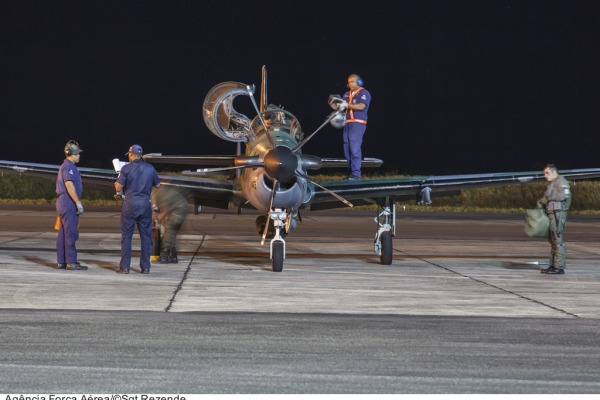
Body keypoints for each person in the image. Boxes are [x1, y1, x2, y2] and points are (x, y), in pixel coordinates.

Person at [114, 144, 160, 274]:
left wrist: (117, 184)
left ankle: (125, 267)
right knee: (146, 237)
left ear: (130, 154)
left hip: (130, 204)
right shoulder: (150, 168)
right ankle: (145, 267)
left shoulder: (126, 168)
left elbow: (118, 188)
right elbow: (158, 184)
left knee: (127, 237)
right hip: (145, 205)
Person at [55, 140, 88, 270]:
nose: (79, 155)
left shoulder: (67, 166)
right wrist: (78, 202)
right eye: (76, 154)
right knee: (71, 233)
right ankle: (71, 262)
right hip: (68, 202)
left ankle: (62, 261)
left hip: (63, 202)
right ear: (70, 154)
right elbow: (69, 184)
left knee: (63, 233)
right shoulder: (68, 166)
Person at [536, 164, 571, 275]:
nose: (545, 175)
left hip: (558, 215)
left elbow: (564, 196)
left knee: (557, 240)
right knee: (553, 241)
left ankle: (559, 267)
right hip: (551, 214)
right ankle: (553, 265)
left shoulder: (561, 182)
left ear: (554, 172)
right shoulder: (553, 183)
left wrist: (547, 198)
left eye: (547, 173)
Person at [342, 74, 371, 180]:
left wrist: (346, 105)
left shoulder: (364, 93)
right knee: (347, 148)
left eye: (352, 81)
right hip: (347, 123)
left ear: (359, 82)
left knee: (354, 148)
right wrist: (336, 105)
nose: (350, 84)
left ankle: (356, 174)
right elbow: (341, 107)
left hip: (358, 123)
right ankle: (351, 173)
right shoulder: (346, 94)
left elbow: (361, 106)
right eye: (349, 82)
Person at [151, 185, 189, 263]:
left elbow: (165, 210)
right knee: (172, 233)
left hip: (178, 210)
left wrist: (159, 218)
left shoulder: (161, 195)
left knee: (169, 231)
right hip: (182, 209)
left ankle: (164, 256)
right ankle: (173, 256)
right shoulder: (162, 192)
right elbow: (157, 208)